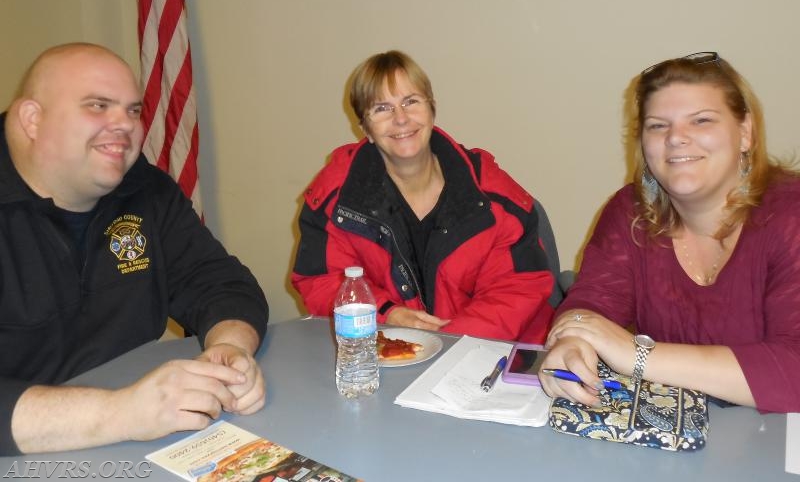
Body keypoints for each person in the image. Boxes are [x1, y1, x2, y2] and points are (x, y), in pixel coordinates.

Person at [0, 43, 270, 455]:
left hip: (135, 447)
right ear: (33, 119)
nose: (123, 126)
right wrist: (122, 413)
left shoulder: (145, 190)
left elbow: (220, 283)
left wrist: (228, 351)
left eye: (132, 110)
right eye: (98, 105)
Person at [540, 51, 800, 412]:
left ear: (745, 133)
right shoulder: (630, 210)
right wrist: (571, 342)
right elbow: (592, 303)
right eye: (658, 125)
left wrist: (639, 356)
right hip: (676, 435)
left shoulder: (791, 214)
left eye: (701, 121)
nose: (677, 138)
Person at [292, 50, 554, 343]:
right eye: (382, 108)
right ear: (364, 128)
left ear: (432, 109)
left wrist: (446, 343)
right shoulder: (336, 200)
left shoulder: (492, 195)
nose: (401, 119)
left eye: (411, 102)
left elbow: (519, 287)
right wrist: (387, 313)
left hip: (493, 355)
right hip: (392, 352)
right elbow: (323, 281)